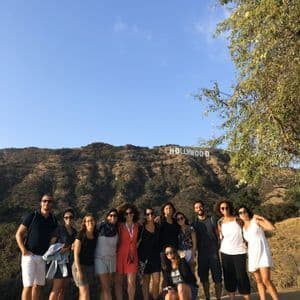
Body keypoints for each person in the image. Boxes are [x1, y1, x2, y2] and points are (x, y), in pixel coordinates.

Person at [15, 193, 57, 300]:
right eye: (44, 201)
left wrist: (50, 250)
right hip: (29, 256)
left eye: (49, 201)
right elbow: (19, 234)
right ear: (40, 203)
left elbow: (55, 236)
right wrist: (23, 250)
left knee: (38, 286)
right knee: (28, 286)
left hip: (42, 257)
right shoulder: (32, 216)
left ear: (52, 204)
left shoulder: (53, 220)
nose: (47, 203)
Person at [238, 206, 279, 300]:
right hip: (252, 255)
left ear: (248, 212)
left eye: (244, 211)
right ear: (239, 216)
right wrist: (245, 244)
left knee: (266, 280)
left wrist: (262, 218)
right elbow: (250, 240)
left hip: (263, 253)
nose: (243, 214)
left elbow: (272, 228)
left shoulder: (256, 221)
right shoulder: (243, 228)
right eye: (240, 213)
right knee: (259, 281)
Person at [217, 199, 251, 300]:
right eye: (222, 208)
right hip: (225, 252)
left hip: (239, 251)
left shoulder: (238, 220)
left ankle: (247, 297)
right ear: (220, 210)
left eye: (226, 207)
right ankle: (232, 298)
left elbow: (246, 231)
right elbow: (220, 236)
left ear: (230, 208)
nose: (225, 210)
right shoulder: (220, 222)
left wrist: (247, 243)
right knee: (228, 276)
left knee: (242, 276)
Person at [192, 200, 222, 300]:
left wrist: (217, 248)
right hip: (202, 255)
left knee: (217, 279)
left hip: (213, 254)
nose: (199, 208)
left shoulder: (212, 219)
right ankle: (208, 298)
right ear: (194, 210)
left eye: (200, 206)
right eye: (196, 207)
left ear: (203, 207)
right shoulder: (194, 224)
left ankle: (218, 298)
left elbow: (218, 235)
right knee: (204, 279)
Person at [48, 208, 77, 300]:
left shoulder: (75, 232)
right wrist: (61, 248)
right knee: (56, 289)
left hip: (69, 262)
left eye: (71, 217)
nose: (69, 219)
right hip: (59, 262)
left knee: (64, 289)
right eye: (66, 217)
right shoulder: (59, 229)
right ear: (63, 219)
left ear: (73, 219)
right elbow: (51, 245)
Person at [115, 203, 140, 300]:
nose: (129, 215)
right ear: (123, 215)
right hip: (120, 256)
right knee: (118, 282)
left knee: (131, 282)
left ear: (134, 214)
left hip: (132, 256)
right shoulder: (119, 226)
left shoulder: (137, 226)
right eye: (126, 213)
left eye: (130, 213)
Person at [94, 208, 118, 300]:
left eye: (115, 216)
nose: (112, 217)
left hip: (112, 260)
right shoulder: (100, 226)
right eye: (110, 215)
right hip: (100, 259)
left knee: (106, 288)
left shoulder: (117, 229)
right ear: (107, 217)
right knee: (106, 287)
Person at [137, 207, 161, 300]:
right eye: (147, 214)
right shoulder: (141, 228)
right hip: (144, 258)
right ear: (145, 216)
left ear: (154, 214)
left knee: (156, 281)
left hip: (156, 258)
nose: (150, 215)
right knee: (146, 282)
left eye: (151, 213)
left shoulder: (158, 227)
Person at [72, 213, 97, 300]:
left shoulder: (96, 234)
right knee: (85, 293)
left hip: (90, 266)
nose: (90, 222)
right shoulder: (81, 235)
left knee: (83, 293)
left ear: (95, 222)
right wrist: (78, 270)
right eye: (88, 221)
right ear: (85, 223)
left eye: (92, 220)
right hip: (79, 266)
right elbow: (75, 254)